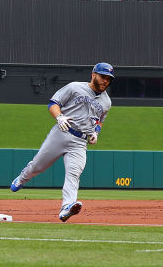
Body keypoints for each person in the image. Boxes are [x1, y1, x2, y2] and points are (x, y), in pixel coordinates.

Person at [10, 62, 115, 222]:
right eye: (103, 77)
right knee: (38, 165)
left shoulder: (106, 102)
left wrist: (96, 132)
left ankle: (67, 208)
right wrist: (59, 117)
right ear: (93, 74)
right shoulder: (74, 87)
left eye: (108, 79)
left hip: (80, 142)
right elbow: (53, 103)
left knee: (74, 174)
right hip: (62, 132)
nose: (105, 81)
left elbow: (100, 120)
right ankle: (22, 178)